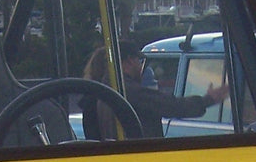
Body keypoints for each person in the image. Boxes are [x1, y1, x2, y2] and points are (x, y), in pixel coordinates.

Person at [81, 43, 228, 140]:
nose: (141, 67)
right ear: (130, 61)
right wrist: (208, 100)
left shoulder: (105, 89)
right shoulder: (128, 90)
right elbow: (169, 105)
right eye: (140, 61)